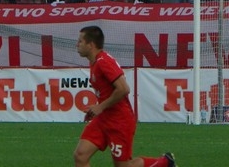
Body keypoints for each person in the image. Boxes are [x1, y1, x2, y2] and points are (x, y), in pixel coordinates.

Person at [73, 25, 175, 167]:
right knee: (80, 155)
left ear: (91, 45)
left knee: (123, 165)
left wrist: (100, 107)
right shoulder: (95, 62)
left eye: (80, 41)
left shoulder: (103, 62)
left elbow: (123, 89)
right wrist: (96, 109)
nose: (77, 44)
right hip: (103, 119)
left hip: (119, 121)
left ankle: (165, 162)